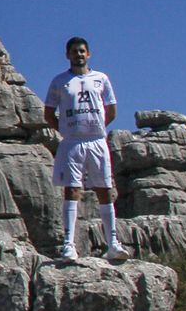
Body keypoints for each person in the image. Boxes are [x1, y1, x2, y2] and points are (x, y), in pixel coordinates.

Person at [43, 36, 129, 263]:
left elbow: (111, 109)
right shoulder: (60, 81)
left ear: (88, 54)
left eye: (82, 51)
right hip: (72, 142)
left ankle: (112, 243)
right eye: (74, 51)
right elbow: (49, 112)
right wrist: (65, 129)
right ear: (67, 55)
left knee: (104, 189)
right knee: (72, 189)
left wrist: (97, 126)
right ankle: (69, 244)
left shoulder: (101, 79)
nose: (78, 55)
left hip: (97, 141)